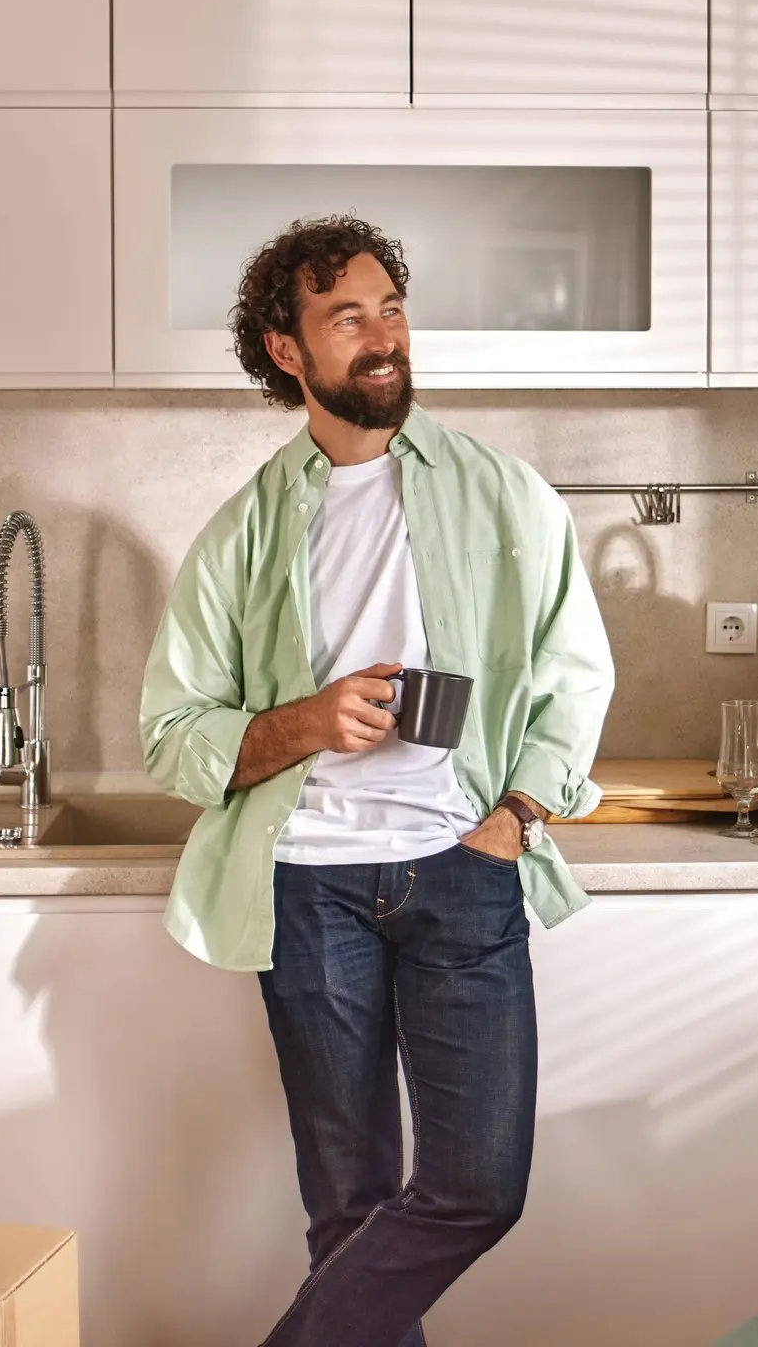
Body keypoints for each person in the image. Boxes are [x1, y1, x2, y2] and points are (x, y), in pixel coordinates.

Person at [138, 214, 616, 1347]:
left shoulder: (505, 496)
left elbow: (576, 673)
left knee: (478, 1187)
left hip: (464, 869)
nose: (384, 337)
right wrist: (300, 723)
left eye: (391, 308)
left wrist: (515, 817)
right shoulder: (246, 531)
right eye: (347, 318)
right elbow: (171, 732)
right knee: (349, 1215)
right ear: (288, 352)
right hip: (310, 887)